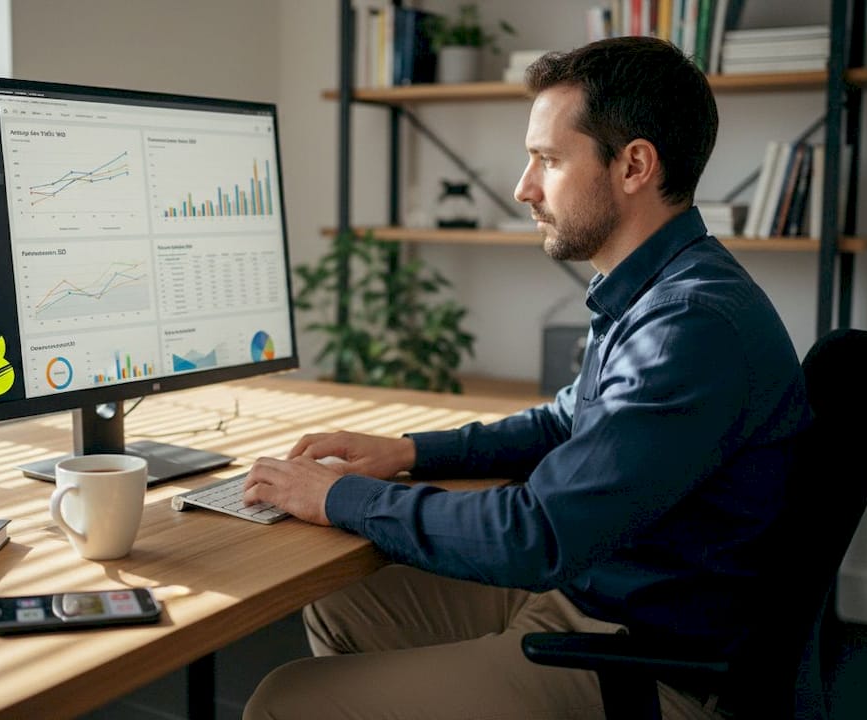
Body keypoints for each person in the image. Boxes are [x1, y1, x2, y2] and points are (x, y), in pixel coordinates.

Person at [241, 35, 811, 720]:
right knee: (343, 603)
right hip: (595, 591)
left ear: (634, 165)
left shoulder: (687, 325)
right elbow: (564, 421)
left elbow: (535, 534)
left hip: (640, 657)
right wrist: (409, 451)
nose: (524, 187)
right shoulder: (660, 288)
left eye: (548, 159)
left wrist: (340, 496)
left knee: (282, 702)